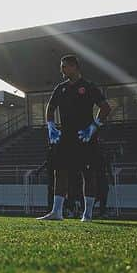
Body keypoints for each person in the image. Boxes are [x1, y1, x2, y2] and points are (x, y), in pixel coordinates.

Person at [36, 54, 110, 222]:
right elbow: (50, 107)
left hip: (84, 137)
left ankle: (88, 214)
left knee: (88, 173)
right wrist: (51, 125)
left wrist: (94, 126)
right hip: (66, 137)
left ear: (74, 67)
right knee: (60, 172)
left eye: (64, 66)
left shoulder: (89, 86)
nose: (61, 69)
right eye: (61, 66)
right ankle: (56, 212)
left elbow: (105, 108)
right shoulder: (60, 88)